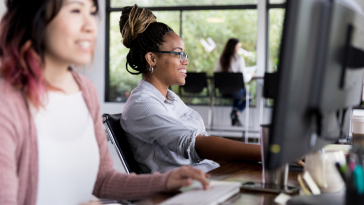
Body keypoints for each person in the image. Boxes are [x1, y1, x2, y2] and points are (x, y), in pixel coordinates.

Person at [0, 1, 210, 205]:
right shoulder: (7, 101)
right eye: (75, 10)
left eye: (91, 12)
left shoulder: (85, 90)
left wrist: (165, 182)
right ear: (37, 19)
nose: (90, 25)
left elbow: (102, 180)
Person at [119, 5, 261, 174]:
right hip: (188, 190)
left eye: (184, 54)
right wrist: (267, 152)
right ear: (152, 58)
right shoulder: (141, 104)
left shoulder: (170, 98)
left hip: (210, 175)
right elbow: (196, 145)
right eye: (178, 53)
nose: (185, 61)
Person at [214, 38, 250, 126]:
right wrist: (251, 75)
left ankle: (235, 114)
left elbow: (216, 74)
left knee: (237, 93)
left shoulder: (220, 59)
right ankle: (236, 113)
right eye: (238, 47)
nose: (239, 49)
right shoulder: (238, 59)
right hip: (236, 91)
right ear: (233, 47)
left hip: (223, 92)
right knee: (248, 97)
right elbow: (243, 78)